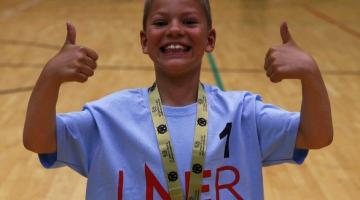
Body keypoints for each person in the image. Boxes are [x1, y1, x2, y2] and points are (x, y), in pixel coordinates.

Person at [23, 0, 333, 199]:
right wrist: (50, 77)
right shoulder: (109, 116)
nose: (174, 30)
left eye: (188, 21)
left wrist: (310, 74)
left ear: (210, 39)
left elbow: (316, 135)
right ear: (144, 41)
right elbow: (39, 140)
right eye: (160, 23)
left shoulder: (243, 113)